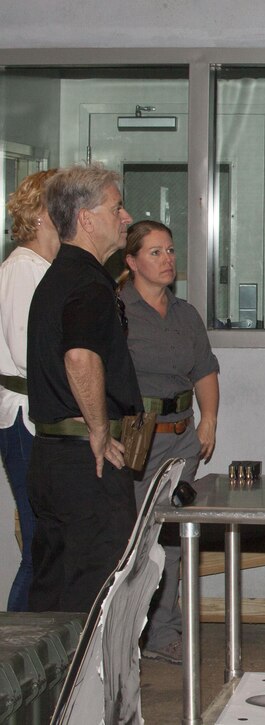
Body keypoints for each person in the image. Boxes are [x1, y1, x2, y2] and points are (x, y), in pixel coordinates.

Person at [26, 164, 141, 613]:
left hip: (53, 458)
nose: (126, 216)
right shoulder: (88, 282)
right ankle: (85, 684)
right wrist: (99, 429)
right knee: (96, 591)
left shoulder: (58, 276)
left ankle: (48, 683)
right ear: (86, 218)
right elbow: (79, 357)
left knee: (55, 589)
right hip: (84, 464)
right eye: (116, 207)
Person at [119, 220, 220, 664]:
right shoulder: (116, 311)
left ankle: (165, 633)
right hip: (139, 441)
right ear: (132, 261)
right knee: (136, 539)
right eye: (155, 252)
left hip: (183, 437)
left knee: (176, 540)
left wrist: (209, 420)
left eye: (171, 250)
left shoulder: (185, 314)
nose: (167, 260)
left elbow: (204, 369)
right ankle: (125, 635)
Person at [0, 169, 59, 611]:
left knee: (46, 544)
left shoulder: (45, 268)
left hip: (40, 418)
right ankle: (16, 653)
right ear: (42, 213)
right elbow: (27, 354)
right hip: (24, 419)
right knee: (38, 548)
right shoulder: (23, 268)